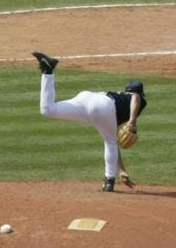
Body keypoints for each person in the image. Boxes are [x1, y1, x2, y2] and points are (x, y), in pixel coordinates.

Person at [30, 51, 145, 193]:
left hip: (86, 99)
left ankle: (48, 71)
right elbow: (136, 97)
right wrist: (132, 122)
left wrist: (121, 170)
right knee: (110, 142)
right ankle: (109, 181)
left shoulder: (119, 98)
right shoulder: (135, 99)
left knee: (48, 110)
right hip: (103, 106)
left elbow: (114, 140)